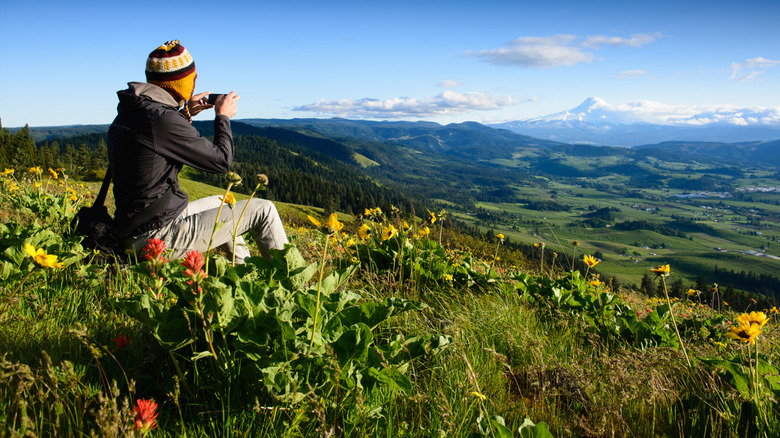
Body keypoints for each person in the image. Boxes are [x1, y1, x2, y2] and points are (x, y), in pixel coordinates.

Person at [107, 40, 288, 262]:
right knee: (264, 210)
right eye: (192, 78)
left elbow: (155, 143)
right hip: (154, 236)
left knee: (224, 202)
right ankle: (287, 284)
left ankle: (241, 272)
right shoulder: (161, 120)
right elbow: (221, 162)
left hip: (138, 224)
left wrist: (185, 115)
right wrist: (222, 118)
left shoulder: (135, 110)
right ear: (182, 83)